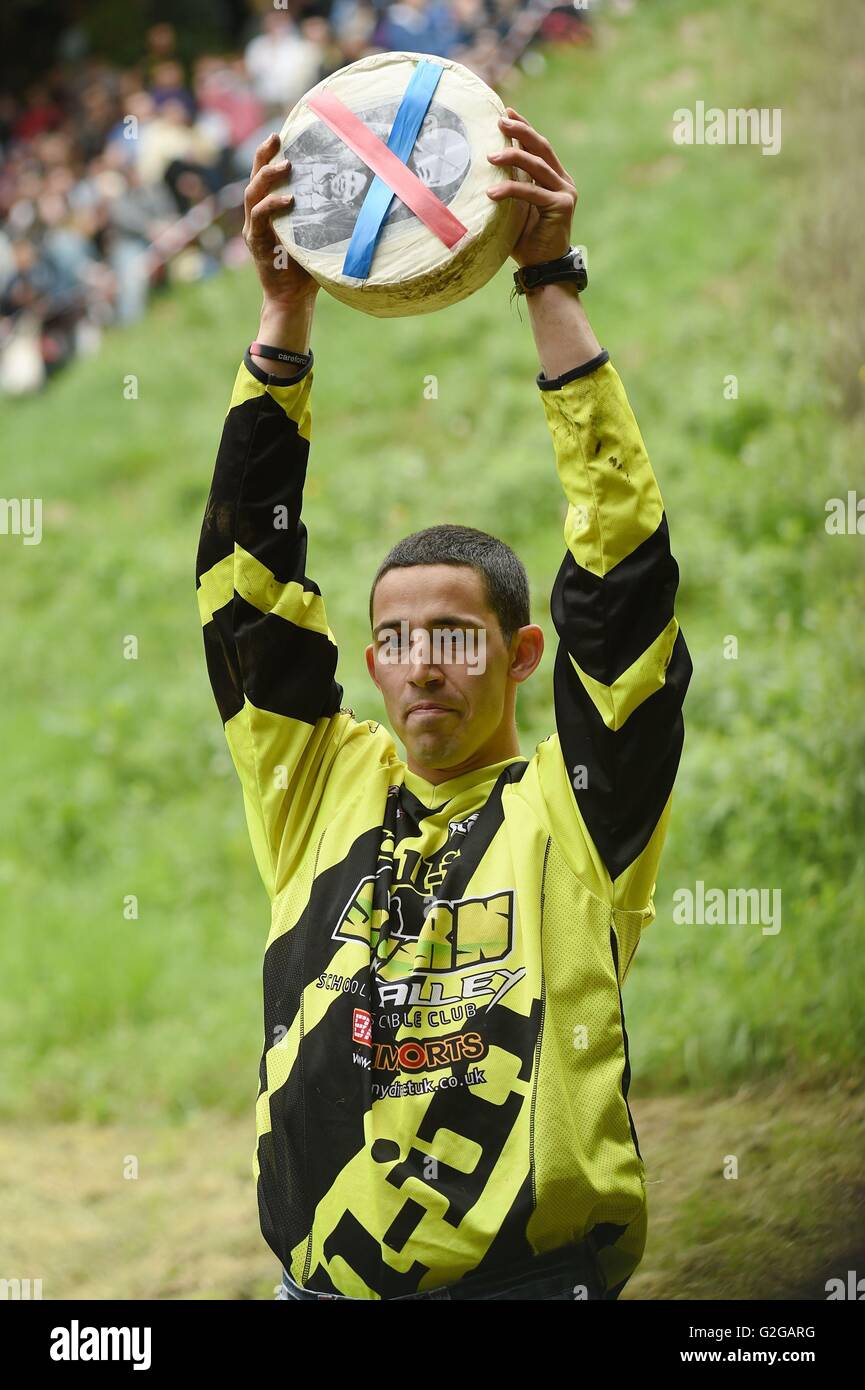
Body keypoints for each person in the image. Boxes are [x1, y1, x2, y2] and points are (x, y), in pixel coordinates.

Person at [195, 109, 692, 1301]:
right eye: (398, 639)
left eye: (455, 635)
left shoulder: (578, 808)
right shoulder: (320, 784)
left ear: (520, 653)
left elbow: (621, 586)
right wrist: (282, 324)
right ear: (370, 664)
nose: (422, 663)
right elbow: (247, 590)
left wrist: (549, 284)